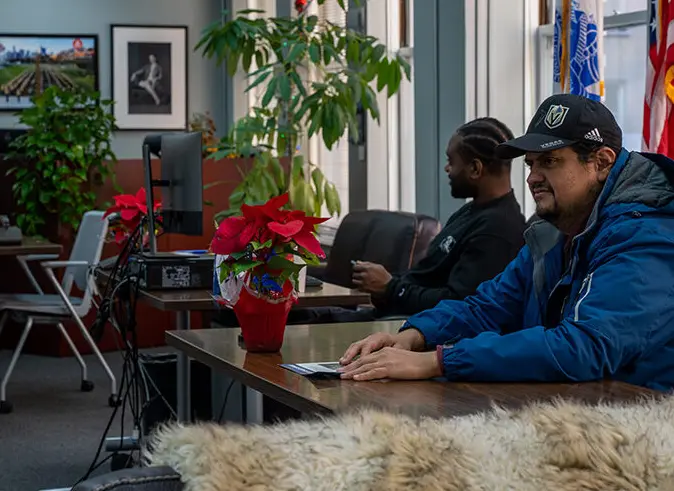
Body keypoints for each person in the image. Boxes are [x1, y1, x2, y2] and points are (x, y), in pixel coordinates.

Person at [339, 93, 674, 391]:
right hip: (575, 407)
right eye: (530, 164)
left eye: (550, 161)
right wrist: (412, 337)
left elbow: (584, 347)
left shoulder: (646, 234)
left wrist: (437, 361)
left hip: (644, 424)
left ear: (601, 162)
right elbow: (489, 306)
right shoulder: (554, 231)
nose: (532, 177)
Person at [351, 117, 526, 317]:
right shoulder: (470, 212)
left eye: (451, 162)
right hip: (395, 317)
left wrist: (391, 288)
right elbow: (426, 277)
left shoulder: (498, 229)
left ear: (475, 169)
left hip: (415, 334)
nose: (447, 169)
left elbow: (460, 304)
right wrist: (386, 285)